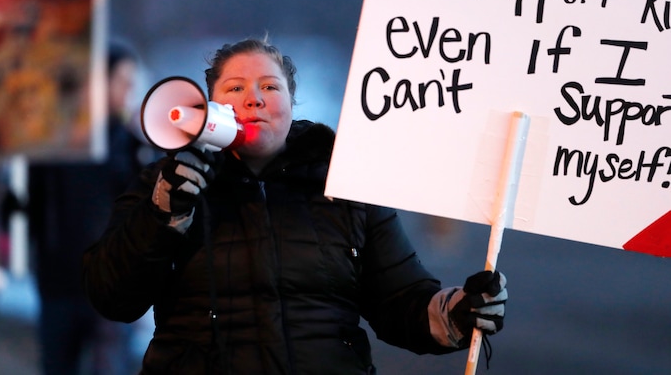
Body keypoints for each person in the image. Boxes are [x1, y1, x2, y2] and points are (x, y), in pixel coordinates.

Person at [82, 37, 507, 374]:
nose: (254, 99)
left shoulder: (346, 189)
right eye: (235, 88)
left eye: (270, 86)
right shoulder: (162, 183)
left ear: (291, 103)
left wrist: (457, 312)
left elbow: (402, 300)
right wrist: (163, 215)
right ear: (208, 107)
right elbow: (113, 296)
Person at [28, 40, 155, 375]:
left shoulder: (134, 142)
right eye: (122, 79)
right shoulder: (56, 138)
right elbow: (34, 201)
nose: (129, 89)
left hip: (110, 286)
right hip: (58, 282)